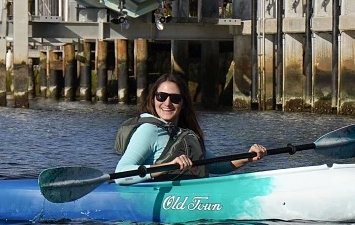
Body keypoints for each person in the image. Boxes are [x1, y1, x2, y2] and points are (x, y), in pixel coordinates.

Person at [114, 73, 267, 184]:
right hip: (151, 213)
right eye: (161, 96)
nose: (167, 103)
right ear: (154, 98)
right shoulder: (149, 130)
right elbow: (121, 174)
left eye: (175, 98)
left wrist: (248, 157)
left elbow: (216, 165)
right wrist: (166, 167)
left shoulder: (184, 134)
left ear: (183, 103)